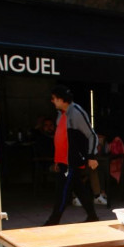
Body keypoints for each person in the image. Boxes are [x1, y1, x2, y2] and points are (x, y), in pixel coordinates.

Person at [42, 85, 100, 226]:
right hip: (63, 160)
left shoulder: (76, 112)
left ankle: (53, 221)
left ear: (62, 100)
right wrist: (57, 160)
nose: (52, 101)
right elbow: (60, 137)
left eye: (54, 99)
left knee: (62, 192)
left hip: (72, 161)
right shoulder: (61, 113)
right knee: (78, 189)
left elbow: (91, 135)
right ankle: (92, 216)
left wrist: (91, 156)